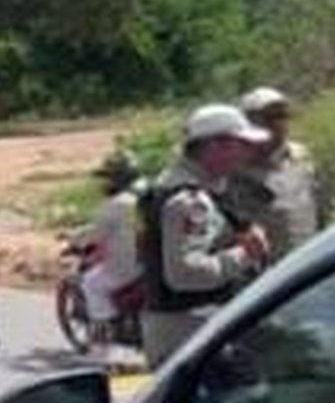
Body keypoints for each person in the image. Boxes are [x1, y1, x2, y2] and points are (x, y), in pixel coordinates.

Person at [140, 104, 272, 369]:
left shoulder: (198, 189)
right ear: (214, 146)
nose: (247, 152)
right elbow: (185, 274)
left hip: (196, 328)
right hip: (188, 330)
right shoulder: (188, 201)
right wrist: (246, 253)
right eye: (241, 144)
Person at [232, 87, 322, 261]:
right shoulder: (232, 165)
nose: (278, 123)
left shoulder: (301, 156)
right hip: (259, 268)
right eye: (268, 117)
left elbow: (319, 205)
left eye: (282, 115)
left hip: (306, 258)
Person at [73, 152, 143, 352]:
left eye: (106, 178)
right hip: (151, 263)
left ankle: (105, 337)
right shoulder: (144, 196)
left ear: (115, 179)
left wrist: (76, 241)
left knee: (91, 283)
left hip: (128, 267)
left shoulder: (115, 204)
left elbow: (96, 234)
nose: (102, 183)